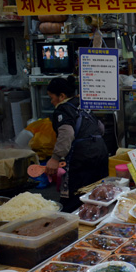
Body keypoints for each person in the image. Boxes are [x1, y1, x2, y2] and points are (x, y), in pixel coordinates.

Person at [46, 76, 109, 212]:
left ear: (61, 96)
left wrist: (55, 158)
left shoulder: (62, 110)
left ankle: (72, 226)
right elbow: (101, 128)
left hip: (81, 158)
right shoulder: (83, 104)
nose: (51, 102)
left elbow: (67, 133)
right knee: (98, 194)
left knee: (74, 199)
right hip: (101, 153)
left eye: (52, 98)